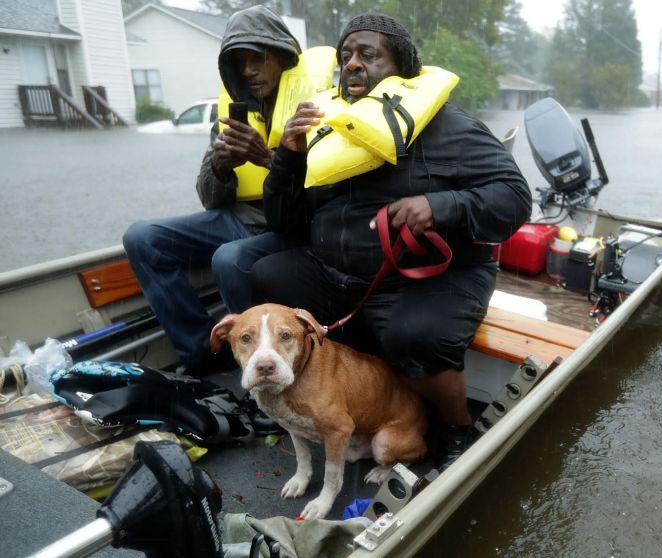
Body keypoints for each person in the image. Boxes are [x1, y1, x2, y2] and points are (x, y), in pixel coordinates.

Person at [250, 13, 532, 469]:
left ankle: (456, 426)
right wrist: (287, 157)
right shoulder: (330, 126)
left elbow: (516, 198)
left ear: (402, 66)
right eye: (345, 56)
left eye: (368, 55)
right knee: (264, 274)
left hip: (428, 277)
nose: (352, 64)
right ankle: (309, 395)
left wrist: (440, 206)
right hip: (340, 273)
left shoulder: (450, 127)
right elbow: (284, 223)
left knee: (416, 335)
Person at [123, 6, 318, 375]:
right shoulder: (232, 111)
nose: (248, 71)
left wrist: (266, 157)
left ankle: (266, 367)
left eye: (257, 59)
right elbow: (209, 197)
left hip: (291, 227)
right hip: (238, 218)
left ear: (282, 56)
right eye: (239, 62)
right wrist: (220, 165)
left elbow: (322, 192)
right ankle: (202, 353)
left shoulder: (314, 106)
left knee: (229, 258)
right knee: (142, 238)